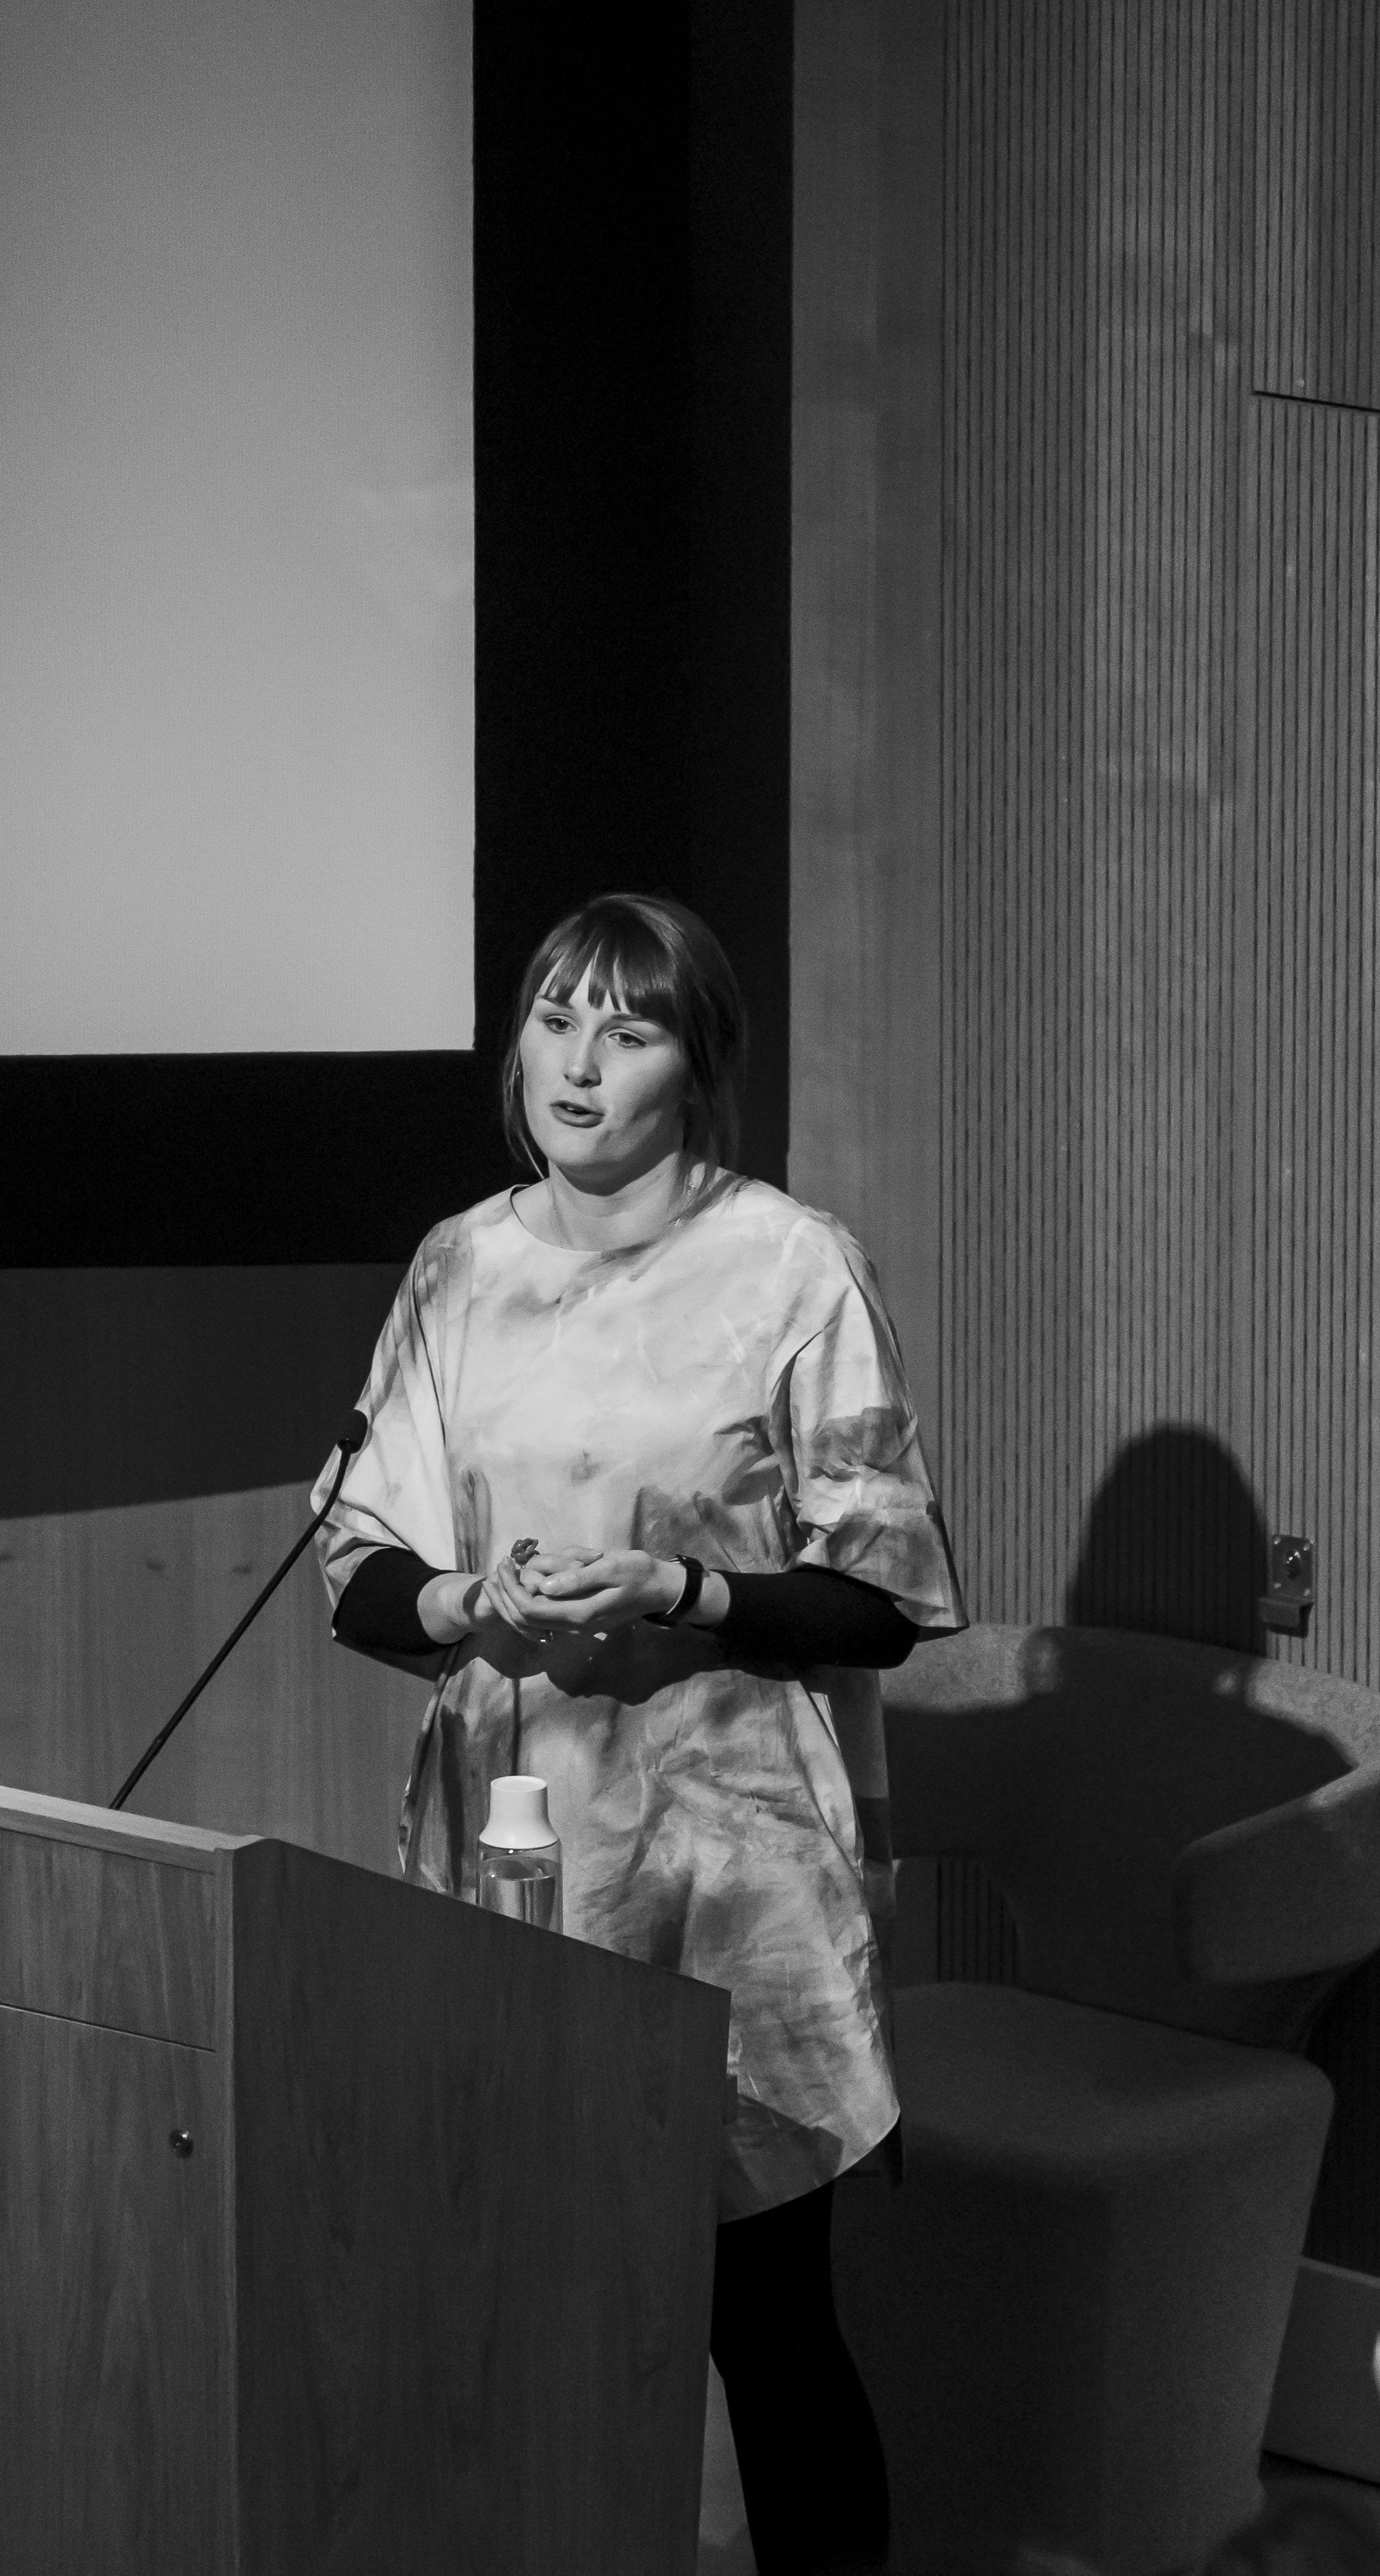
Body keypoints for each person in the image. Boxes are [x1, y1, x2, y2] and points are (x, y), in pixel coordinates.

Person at [317, 892, 964, 2576]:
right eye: (555, 1018)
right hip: (514, 1857)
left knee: (767, 2319)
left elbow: (880, 1599)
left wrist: (682, 1586)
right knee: (514, 2299)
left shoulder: (789, 1262)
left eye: (629, 1027)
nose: (579, 1062)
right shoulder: (459, 1264)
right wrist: (462, 1600)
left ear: (699, 1064)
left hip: (730, 1868)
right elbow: (357, 1570)